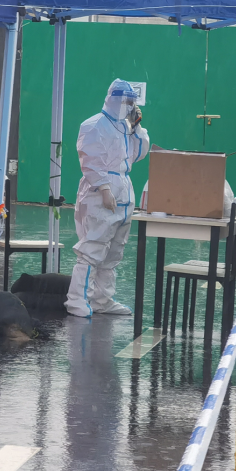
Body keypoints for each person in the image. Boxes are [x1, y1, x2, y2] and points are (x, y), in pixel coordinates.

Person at [66, 79, 149, 318]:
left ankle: (102, 300)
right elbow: (90, 158)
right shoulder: (94, 125)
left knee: (113, 251)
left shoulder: (124, 127)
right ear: (114, 99)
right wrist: (103, 187)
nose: (130, 106)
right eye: (127, 101)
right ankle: (77, 300)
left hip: (123, 189)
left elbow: (138, 153)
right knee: (93, 247)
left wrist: (136, 128)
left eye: (132, 102)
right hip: (99, 192)